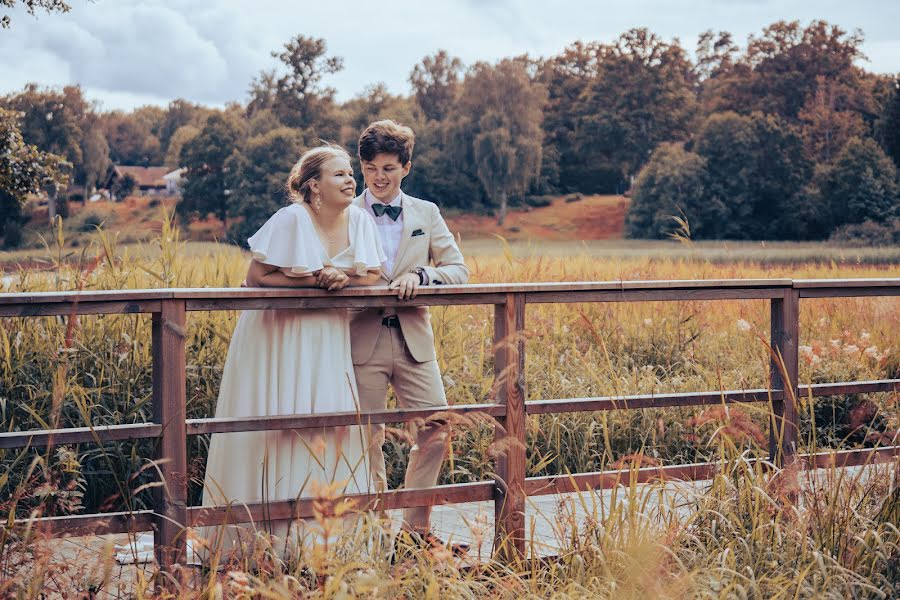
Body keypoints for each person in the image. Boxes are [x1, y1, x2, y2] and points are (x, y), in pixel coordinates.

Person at [198, 144, 385, 562]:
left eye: (350, 173)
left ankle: (322, 538)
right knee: (280, 415)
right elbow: (257, 274)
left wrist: (342, 280)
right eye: (340, 174)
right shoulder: (292, 218)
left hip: (328, 335)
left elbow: (372, 273)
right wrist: (314, 282)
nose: (351, 179)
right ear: (314, 185)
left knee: (329, 419)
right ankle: (268, 537)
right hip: (279, 332)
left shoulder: (359, 219)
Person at [350, 120, 470, 549]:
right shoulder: (344, 214)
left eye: (388, 168)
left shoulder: (426, 213)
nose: (378, 177)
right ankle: (373, 534)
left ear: (406, 167)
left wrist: (423, 274)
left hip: (414, 339)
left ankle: (415, 532)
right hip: (359, 340)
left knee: (436, 429)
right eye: (369, 168)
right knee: (364, 438)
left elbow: (459, 271)